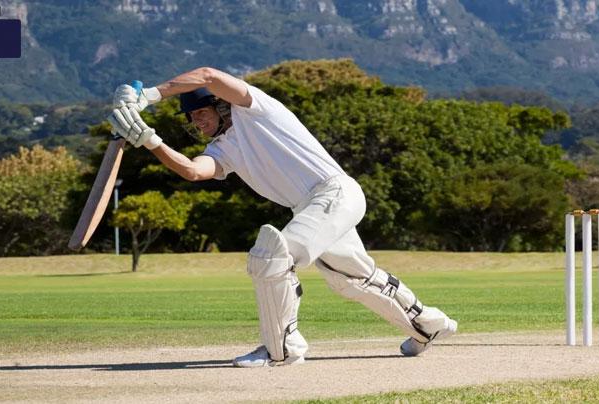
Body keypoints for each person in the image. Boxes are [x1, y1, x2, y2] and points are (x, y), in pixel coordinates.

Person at [107, 67, 458, 368]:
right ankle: (427, 325)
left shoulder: (254, 109)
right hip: (314, 207)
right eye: (191, 118)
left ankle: (282, 349)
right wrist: (149, 140)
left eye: (200, 112)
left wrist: (150, 95)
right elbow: (192, 171)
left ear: (219, 103)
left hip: (333, 192)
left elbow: (209, 75)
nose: (196, 122)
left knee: (272, 256)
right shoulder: (221, 149)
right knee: (353, 279)